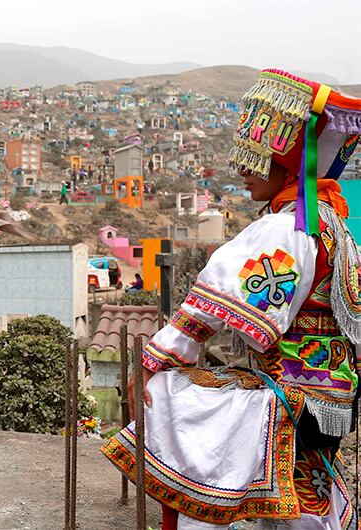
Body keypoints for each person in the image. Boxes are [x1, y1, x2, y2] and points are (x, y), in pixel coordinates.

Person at [102, 69, 360, 529]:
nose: (243, 172)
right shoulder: (334, 224)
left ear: (288, 163)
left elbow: (214, 301)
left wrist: (154, 360)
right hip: (333, 394)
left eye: (254, 161)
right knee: (306, 487)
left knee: (169, 398)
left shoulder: (288, 227)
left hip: (292, 394)